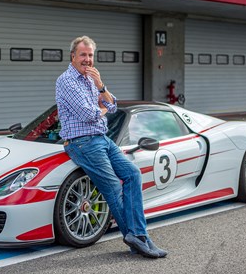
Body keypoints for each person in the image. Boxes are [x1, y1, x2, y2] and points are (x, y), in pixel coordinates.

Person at [55, 35, 167, 258]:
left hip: (101, 139)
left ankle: (137, 235)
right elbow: (89, 114)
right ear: (73, 56)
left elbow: (113, 105)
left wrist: (100, 86)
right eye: (83, 55)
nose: (87, 59)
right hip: (82, 142)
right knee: (114, 189)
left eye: (90, 55)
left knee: (133, 174)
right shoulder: (66, 80)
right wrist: (101, 108)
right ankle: (140, 238)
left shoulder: (91, 79)